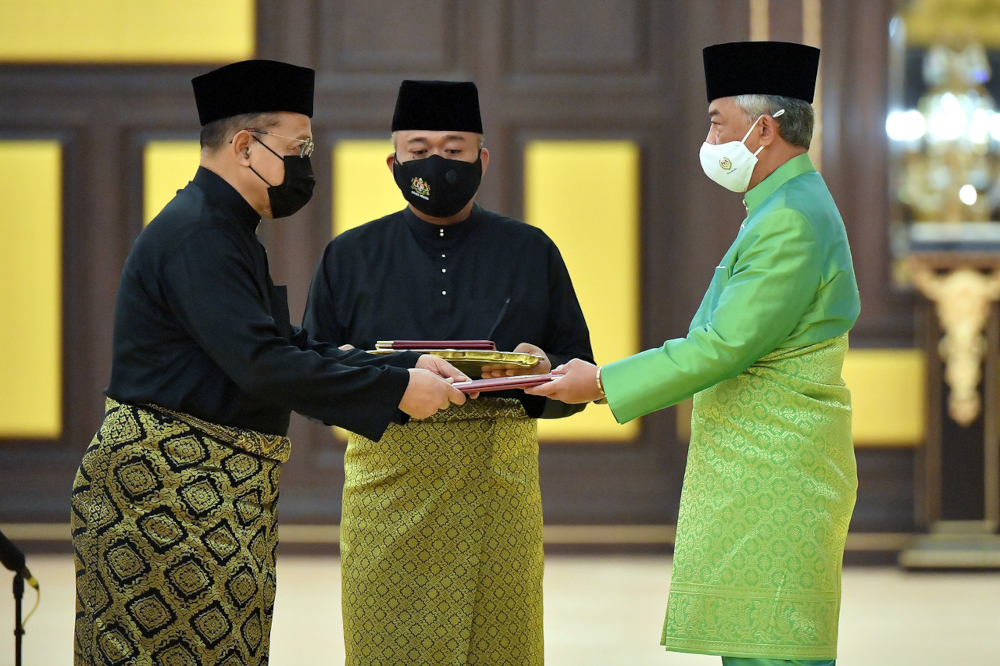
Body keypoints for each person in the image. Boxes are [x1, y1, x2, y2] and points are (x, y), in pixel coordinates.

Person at [71, 60, 468, 666]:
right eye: (298, 146)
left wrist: (406, 367)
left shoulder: (226, 230)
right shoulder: (197, 235)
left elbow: (284, 343)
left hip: (207, 494)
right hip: (163, 495)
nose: (306, 163)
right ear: (243, 146)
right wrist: (394, 394)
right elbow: (261, 364)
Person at [529, 41, 860, 666]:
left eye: (717, 122)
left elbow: (723, 346)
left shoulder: (790, 218)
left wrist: (602, 383)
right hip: (762, 463)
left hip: (776, 467)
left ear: (763, 129)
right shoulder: (781, 207)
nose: (709, 138)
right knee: (756, 643)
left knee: (774, 648)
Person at [303, 79, 594, 665]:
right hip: (387, 494)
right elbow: (312, 370)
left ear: (483, 159)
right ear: (393, 162)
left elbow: (575, 372)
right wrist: (393, 378)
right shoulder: (350, 254)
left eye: (455, 150)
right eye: (419, 149)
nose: (437, 162)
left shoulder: (530, 249)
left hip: (498, 496)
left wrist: (539, 376)